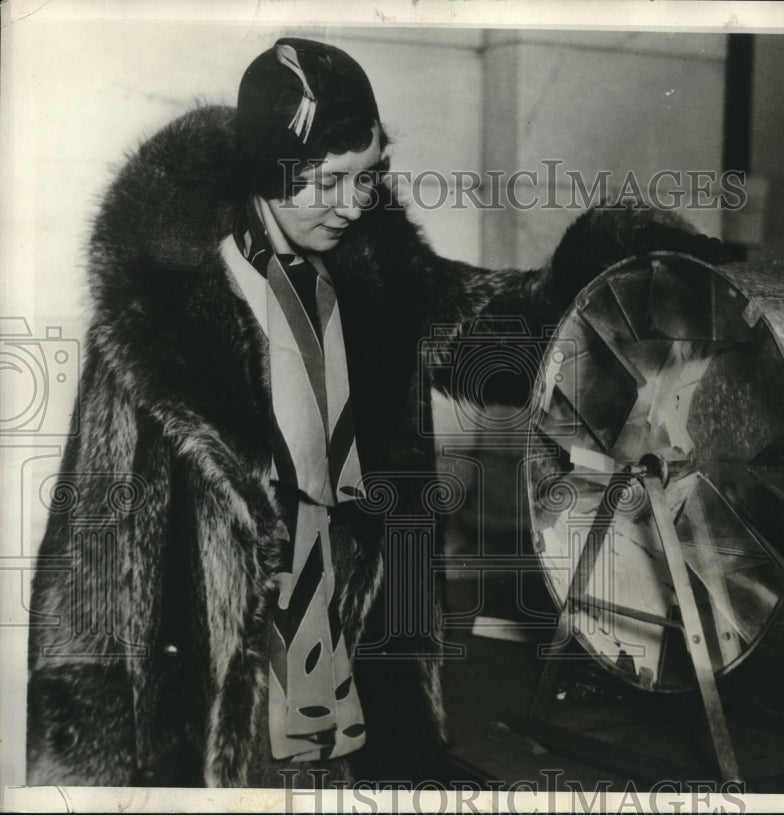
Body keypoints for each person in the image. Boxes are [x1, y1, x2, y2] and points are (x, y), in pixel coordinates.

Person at [26, 37, 726, 788]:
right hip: (222, 709)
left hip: (351, 676)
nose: (356, 202)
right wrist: (81, 767)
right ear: (269, 170)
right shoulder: (154, 323)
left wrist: (602, 270)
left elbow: (503, 341)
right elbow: (91, 556)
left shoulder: (373, 269)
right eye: (332, 181)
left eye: (370, 176)